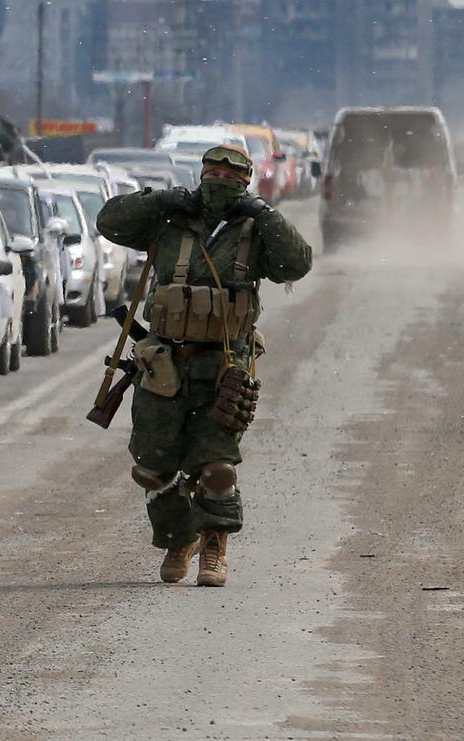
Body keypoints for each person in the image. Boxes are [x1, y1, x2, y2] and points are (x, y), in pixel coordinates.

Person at [96, 144, 313, 587]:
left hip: (224, 364)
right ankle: (181, 537)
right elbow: (109, 222)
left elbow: (298, 262)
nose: (219, 181)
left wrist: (264, 213)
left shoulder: (253, 228)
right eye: (212, 172)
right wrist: (162, 199)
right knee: (151, 468)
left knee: (216, 464)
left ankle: (214, 545)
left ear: (245, 182)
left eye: (230, 176)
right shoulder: (170, 221)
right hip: (164, 363)